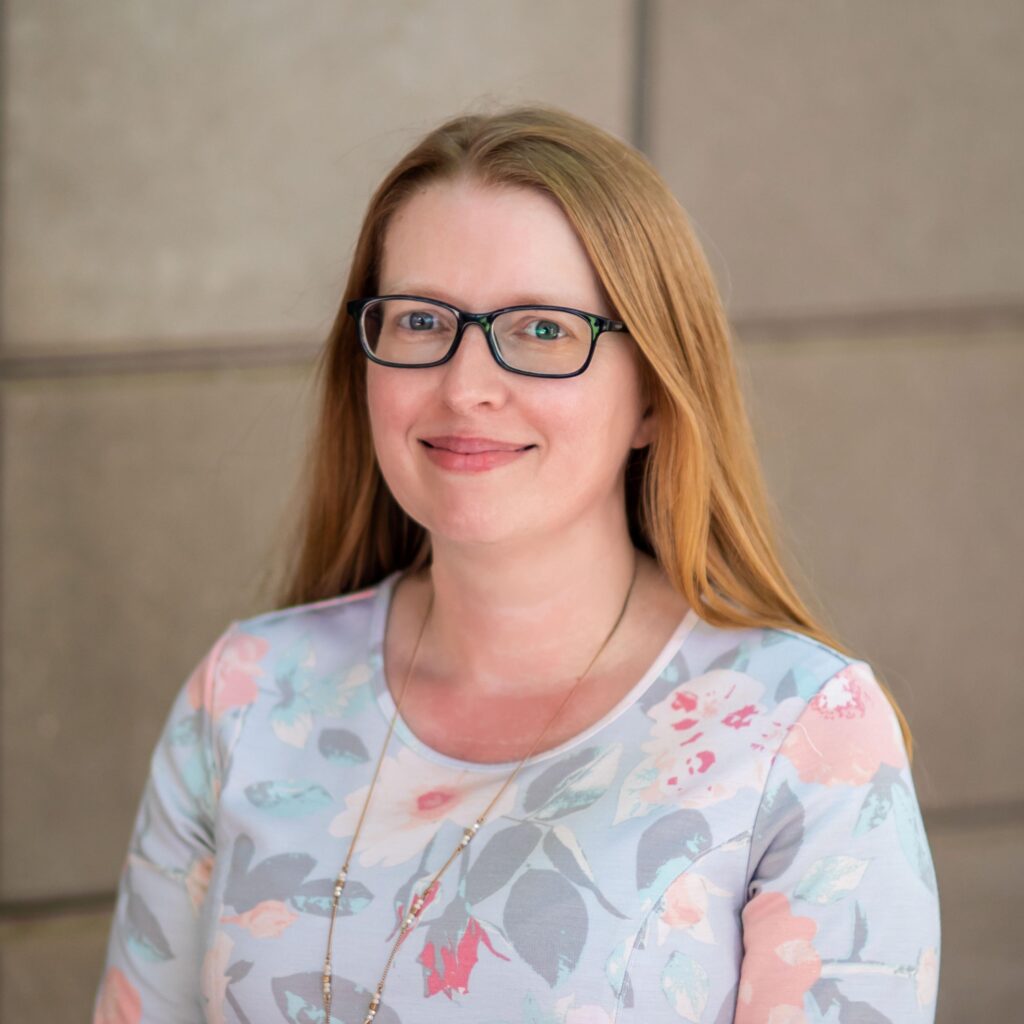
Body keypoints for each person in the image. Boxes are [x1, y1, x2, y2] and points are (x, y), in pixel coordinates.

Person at [93, 105, 940, 1024]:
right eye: (421, 320)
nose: (465, 386)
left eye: (542, 330)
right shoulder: (247, 695)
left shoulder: (805, 738)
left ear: (654, 393)